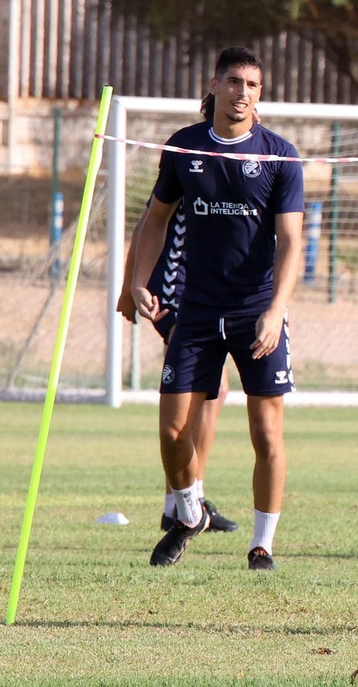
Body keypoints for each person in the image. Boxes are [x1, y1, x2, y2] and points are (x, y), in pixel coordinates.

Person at [131, 47, 304, 572]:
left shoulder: (279, 154)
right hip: (197, 311)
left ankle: (262, 546)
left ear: (260, 93)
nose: (242, 93)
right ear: (215, 85)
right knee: (170, 433)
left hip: (256, 312)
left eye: (252, 85)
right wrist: (138, 280)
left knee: (266, 432)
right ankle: (190, 511)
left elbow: (292, 243)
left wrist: (276, 311)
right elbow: (155, 219)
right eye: (234, 82)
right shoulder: (183, 148)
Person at [119, 197, 238, 534]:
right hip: (173, 292)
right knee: (198, 396)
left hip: (202, 291)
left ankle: (184, 502)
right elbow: (146, 225)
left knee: (215, 393)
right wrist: (131, 286)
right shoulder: (187, 159)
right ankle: (182, 506)